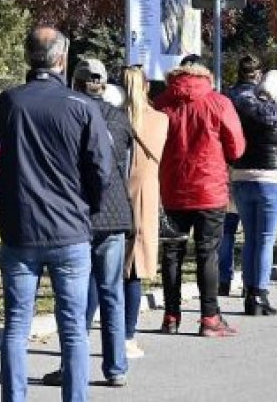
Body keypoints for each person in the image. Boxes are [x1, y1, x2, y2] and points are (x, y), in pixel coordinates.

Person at [0, 26, 112, 402]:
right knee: (74, 327)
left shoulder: (8, 102)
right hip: (70, 228)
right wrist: (87, 207)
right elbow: (101, 170)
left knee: (16, 326)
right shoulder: (82, 107)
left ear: (29, 57)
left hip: (20, 228)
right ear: (62, 58)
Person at [41, 59, 134, 387]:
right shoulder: (120, 119)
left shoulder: (69, 114)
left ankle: (71, 367)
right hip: (114, 214)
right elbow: (124, 168)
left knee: (72, 297)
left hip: (77, 214)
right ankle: (116, 367)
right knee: (112, 294)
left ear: (75, 83)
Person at [154, 60, 246, 337]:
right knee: (208, 254)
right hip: (209, 189)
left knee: (172, 254)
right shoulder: (218, 103)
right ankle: (209, 317)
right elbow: (237, 147)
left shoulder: (161, 103)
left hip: (172, 189)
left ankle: (171, 316)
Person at [232, 70, 277, 314]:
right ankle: (260, 294)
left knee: (250, 238)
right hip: (272, 179)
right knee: (265, 240)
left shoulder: (241, 111)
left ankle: (249, 294)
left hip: (241, 177)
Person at [120, 64, 169, 358]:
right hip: (145, 194)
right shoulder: (160, 120)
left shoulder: (111, 117)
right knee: (133, 270)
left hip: (114, 191)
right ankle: (127, 335)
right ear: (147, 87)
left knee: (105, 268)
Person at [220, 53, 262, 296]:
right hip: (255, 164)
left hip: (229, 164)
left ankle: (224, 279)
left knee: (227, 229)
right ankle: (250, 282)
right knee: (253, 230)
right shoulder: (262, 99)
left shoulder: (227, 97)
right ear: (257, 73)